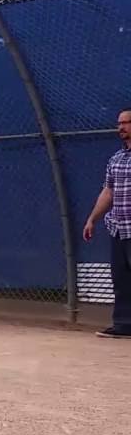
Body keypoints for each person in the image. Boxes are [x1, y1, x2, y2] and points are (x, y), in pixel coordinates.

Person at [83, 107, 131, 338]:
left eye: (126, 123)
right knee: (121, 278)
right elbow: (108, 192)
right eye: (119, 123)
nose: (121, 127)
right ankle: (124, 325)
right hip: (119, 228)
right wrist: (93, 219)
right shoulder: (117, 158)